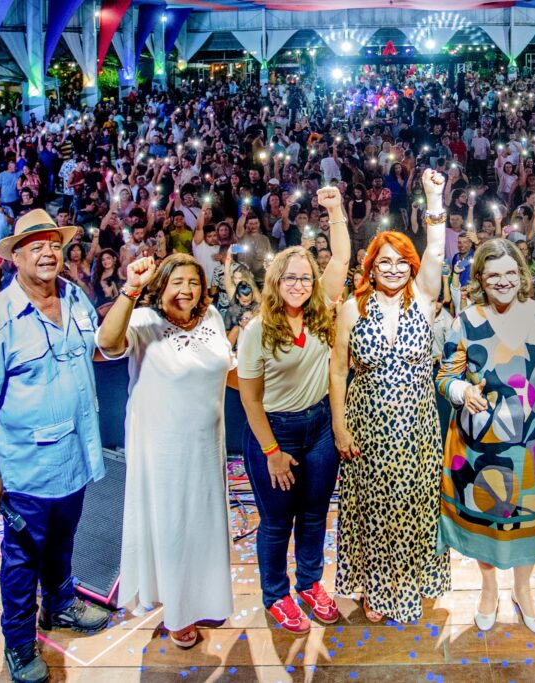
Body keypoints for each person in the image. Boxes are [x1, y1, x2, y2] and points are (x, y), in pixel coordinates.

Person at [0, 210, 110, 683]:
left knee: (63, 541)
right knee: (21, 560)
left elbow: (99, 347)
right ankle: (19, 643)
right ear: (15, 258)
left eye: (54, 244)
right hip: (26, 468)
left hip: (74, 456)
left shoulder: (74, 296)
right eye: (35, 246)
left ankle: (59, 604)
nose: (48, 253)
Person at [95, 254, 234, 648]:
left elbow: (229, 368)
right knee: (173, 527)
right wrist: (129, 290)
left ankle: (206, 598)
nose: (186, 290)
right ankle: (177, 612)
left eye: (193, 282)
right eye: (177, 282)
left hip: (207, 445)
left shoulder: (212, 319)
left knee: (204, 524)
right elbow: (107, 343)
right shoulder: (143, 321)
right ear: (161, 287)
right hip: (163, 449)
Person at [330, 169, 449, 624]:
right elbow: (338, 371)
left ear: (411, 266)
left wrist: (434, 197)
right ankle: (375, 587)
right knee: (373, 508)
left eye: (401, 261)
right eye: (385, 262)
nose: (394, 268)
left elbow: (436, 249)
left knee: (413, 505)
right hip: (367, 426)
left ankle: (410, 580)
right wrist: (340, 427)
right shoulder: (351, 309)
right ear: (371, 267)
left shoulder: (424, 299)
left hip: (417, 427)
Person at [436, 238, 535, 635]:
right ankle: (490, 590)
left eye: (511, 273)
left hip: (531, 446)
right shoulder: (466, 320)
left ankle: (523, 591)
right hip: (479, 448)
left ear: (521, 275)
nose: (503, 281)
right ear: (480, 278)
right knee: (488, 522)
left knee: (527, 522)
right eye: (493, 275)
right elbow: (446, 376)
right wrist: (463, 390)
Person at [237, 188, 351, 633]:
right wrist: (272, 452)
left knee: (314, 514)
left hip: (318, 427)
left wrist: (335, 210)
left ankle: (309, 584)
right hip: (275, 431)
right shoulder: (257, 330)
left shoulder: (320, 312)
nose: (299, 284)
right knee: (276, 522)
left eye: (306, 277)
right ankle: (275, 595)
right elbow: (249, 399)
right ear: (276, 282)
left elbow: (341, 258)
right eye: (291, 278)